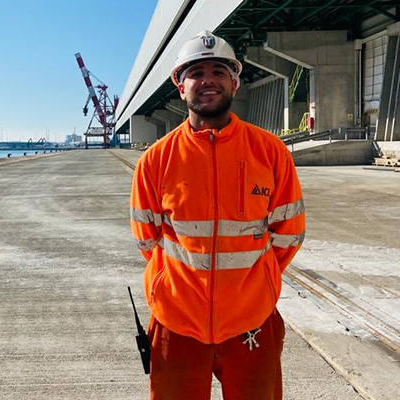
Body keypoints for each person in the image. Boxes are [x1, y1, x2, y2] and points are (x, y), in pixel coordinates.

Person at [129, 30, 306, 400]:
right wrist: (173, 283)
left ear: (235, 83)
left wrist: (255, 286)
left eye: (218, 71)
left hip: (252, 321)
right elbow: (147, 239)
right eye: (196, 72)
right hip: (176, 322)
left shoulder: (270, 152)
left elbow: (288, 234)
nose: (207, 80)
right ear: (181, 86)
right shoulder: (156, 160)